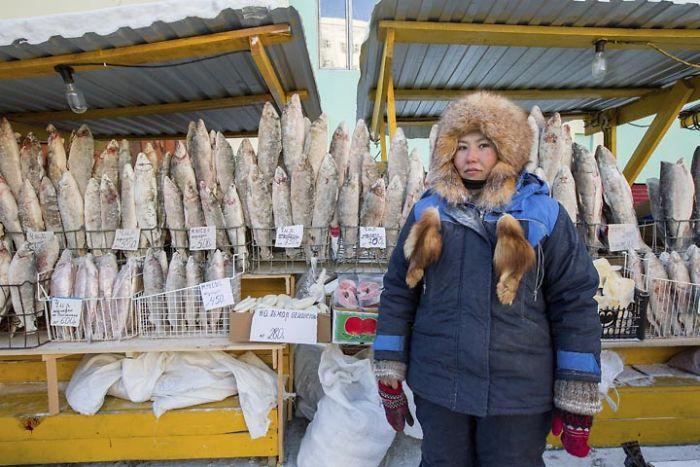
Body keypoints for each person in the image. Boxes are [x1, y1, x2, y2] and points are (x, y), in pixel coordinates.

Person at [372, 92, 602, 466]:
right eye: (461, 146)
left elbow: (574, 301)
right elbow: (399, 290)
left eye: (484, 145)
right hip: (441, 383)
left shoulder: (543, 215)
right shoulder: (427, 212)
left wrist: (577, 383)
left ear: (507, 149)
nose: (471, 157)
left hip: (519, 390)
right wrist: (388, 366)